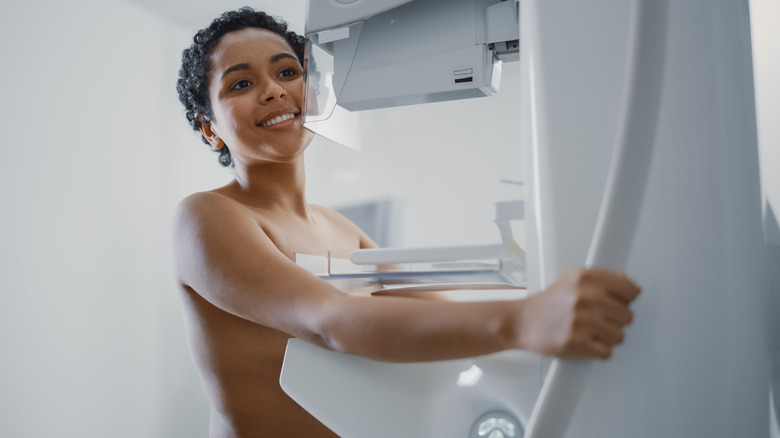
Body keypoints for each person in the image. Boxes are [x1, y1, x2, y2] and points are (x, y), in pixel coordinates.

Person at [174, 7, 641, 438]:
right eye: (241, 84)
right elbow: (331, 323)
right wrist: (524, 321)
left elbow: (434, 310)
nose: (274, 90)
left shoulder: (338, 226)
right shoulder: (207, 217)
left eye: (287, 71)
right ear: (209, 127)